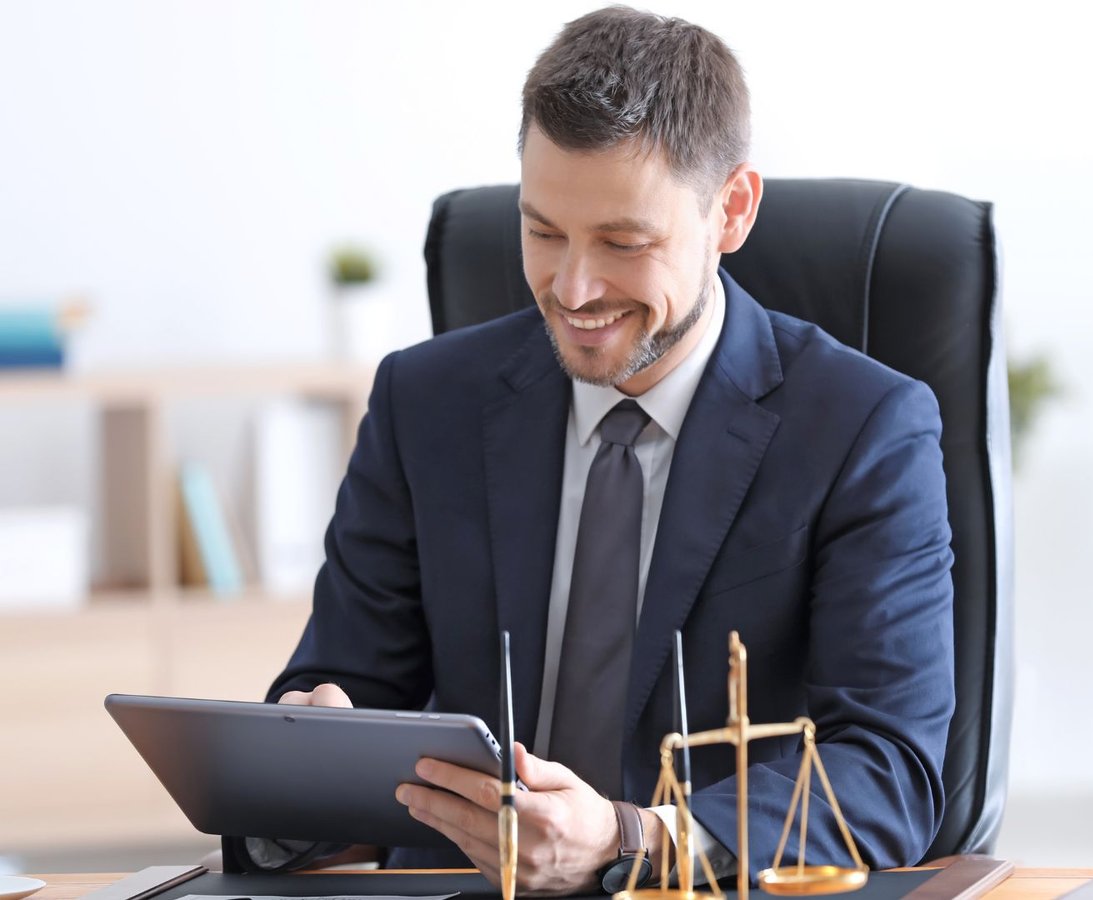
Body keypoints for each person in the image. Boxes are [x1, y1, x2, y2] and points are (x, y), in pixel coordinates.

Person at [231, 6, 955, 894]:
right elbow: (340, 687)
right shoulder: (425, 403)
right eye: (543, 232)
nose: (573, 289)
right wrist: (304, 758)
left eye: (623, 242)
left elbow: (890, 773)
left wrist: (629, 838)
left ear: (731, 210)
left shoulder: (863, 428)